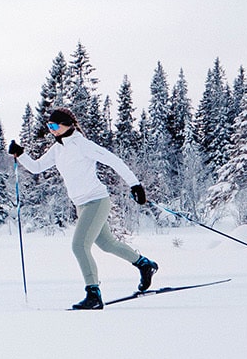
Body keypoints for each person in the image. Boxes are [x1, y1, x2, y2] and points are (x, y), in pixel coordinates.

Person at [10, 107, 159, 310]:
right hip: (81, 204)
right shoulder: (58, 148)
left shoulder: (82, 145)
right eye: (49, 126)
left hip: (96, 201)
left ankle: (93, 294)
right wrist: (21, 154)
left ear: (67, 125)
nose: (51, 130)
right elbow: (37, 167)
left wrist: (135, 185)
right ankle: (144, 264)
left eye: (54, 125)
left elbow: (114, 161)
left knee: (79, 246)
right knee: (108, 244)